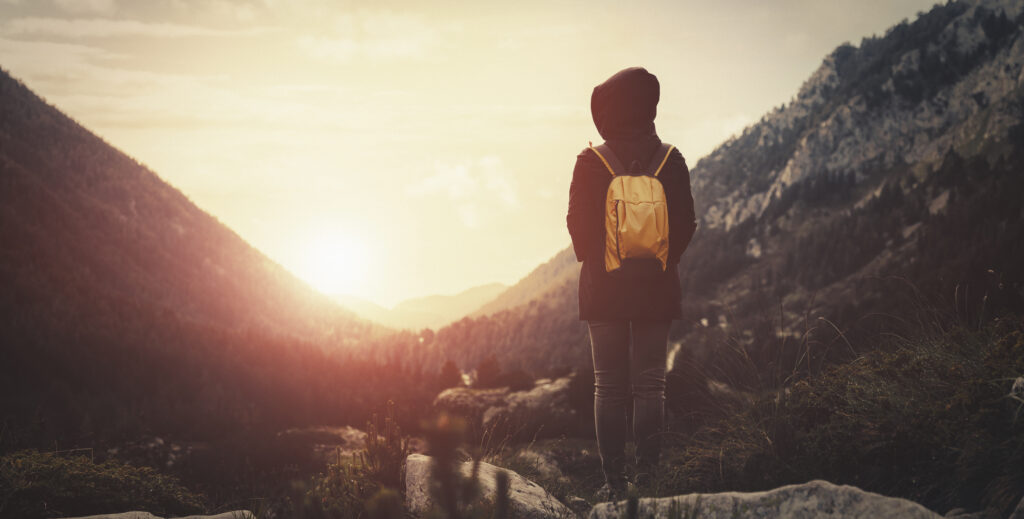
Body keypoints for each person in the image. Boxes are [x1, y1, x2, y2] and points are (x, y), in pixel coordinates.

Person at [566, 67, 697, 499]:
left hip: (604, 290)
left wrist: (604, 262)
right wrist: (660, 261)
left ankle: (615, 485)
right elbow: (686, 224)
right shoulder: (671, 159)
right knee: (650, 384)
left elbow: (578, 230)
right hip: (656, 289)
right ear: (647, 106)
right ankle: (649, 481)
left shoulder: (591, 161)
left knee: (609, 386)